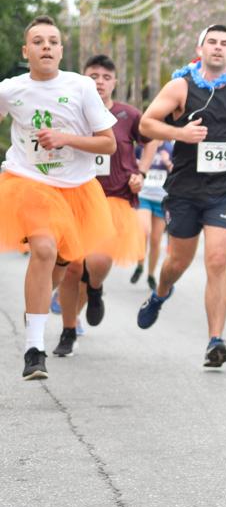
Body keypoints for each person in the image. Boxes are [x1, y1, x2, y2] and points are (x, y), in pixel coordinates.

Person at [136, 24, 226, 368]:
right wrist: (180, 132)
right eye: (212, 42)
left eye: (225, 43)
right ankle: (161, 292)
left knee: (217, 260)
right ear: (200, 48)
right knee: (177, 263)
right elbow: (147, 125)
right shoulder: (181, 86)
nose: (218, 48)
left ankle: (215, 340)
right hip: (185, 191)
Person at [0, 16, 117, 379]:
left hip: (76, 189)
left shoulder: (81, 87)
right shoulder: (10, 89)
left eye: (52, 41)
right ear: (26, 51)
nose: (46, 46)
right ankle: (34, 349)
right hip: (29, 182)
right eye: (38, 41)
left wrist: (67, 138)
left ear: (62, 51)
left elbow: (108, 143)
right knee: (45, 249)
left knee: (64, 262)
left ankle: (36, 308)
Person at [53, 55, 149, 357]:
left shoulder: (127, 115)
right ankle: (68, 330)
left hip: (114, 200)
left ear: (115, 82)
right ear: (83, 79)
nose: (99, 82)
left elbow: (153, 138)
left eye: (106, 77)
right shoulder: (71, 113)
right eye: (93, 76)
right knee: (71, 267)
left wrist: (141, 172)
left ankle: (94, 288)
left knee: (98, 262)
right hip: (76, 197)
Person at [132, 140, 173, 290]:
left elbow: (177, 171)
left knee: (156, 240)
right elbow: (132, 169)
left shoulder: (170, 147)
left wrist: (167, 161)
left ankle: (150, 274)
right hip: (144, 196)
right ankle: (140, 264)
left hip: (161, 199)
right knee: (144, 231)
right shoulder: (142, 146)